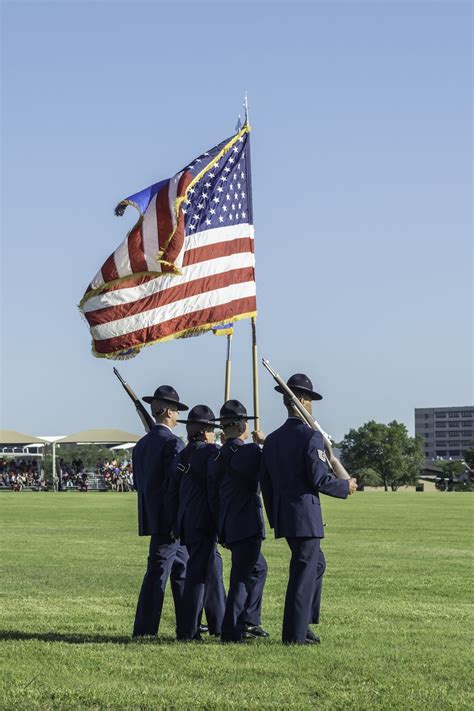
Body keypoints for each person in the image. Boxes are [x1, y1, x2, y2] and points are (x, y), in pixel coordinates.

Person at [260, 373, 357, 645]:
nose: (311, 405)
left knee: (316, 565)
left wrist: (274, 516)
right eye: (310, 400)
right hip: (304, 515)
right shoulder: (310, 436)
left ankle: (304, 624)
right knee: (303, 572)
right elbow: (318, 478)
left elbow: (265, 482)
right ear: (301, 401)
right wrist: (345, 487)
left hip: (284, 515)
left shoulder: (273, 439)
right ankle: (295, 635)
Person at [208, 400, 269, 643]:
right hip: (246, 522)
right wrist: (262, 443)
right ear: (243, 425)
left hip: (227, 522)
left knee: (257, 568)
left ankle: (248, 621)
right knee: (242, 576)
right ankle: (233, 629)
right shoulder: (250, 452)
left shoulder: (217, 454)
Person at [132, 384, 189, 638]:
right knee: (160, 574)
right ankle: (147, 629)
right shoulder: (173, 443)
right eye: (175, 409)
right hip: (172, 519)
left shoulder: (142, 445)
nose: (177, 415)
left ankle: (187, 626)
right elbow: (176, 484)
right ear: (167, 411)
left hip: (152, 516)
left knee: (180, 570)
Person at [167, 405, 226, 641]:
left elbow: (172, 492)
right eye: (212, 430)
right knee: (198, 576)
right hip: (203, 521)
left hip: (186, 520)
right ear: (204, 432)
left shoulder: (182, 455)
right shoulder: (210, 453)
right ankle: (188, 630)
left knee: (212, 571)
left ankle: (219, 623)